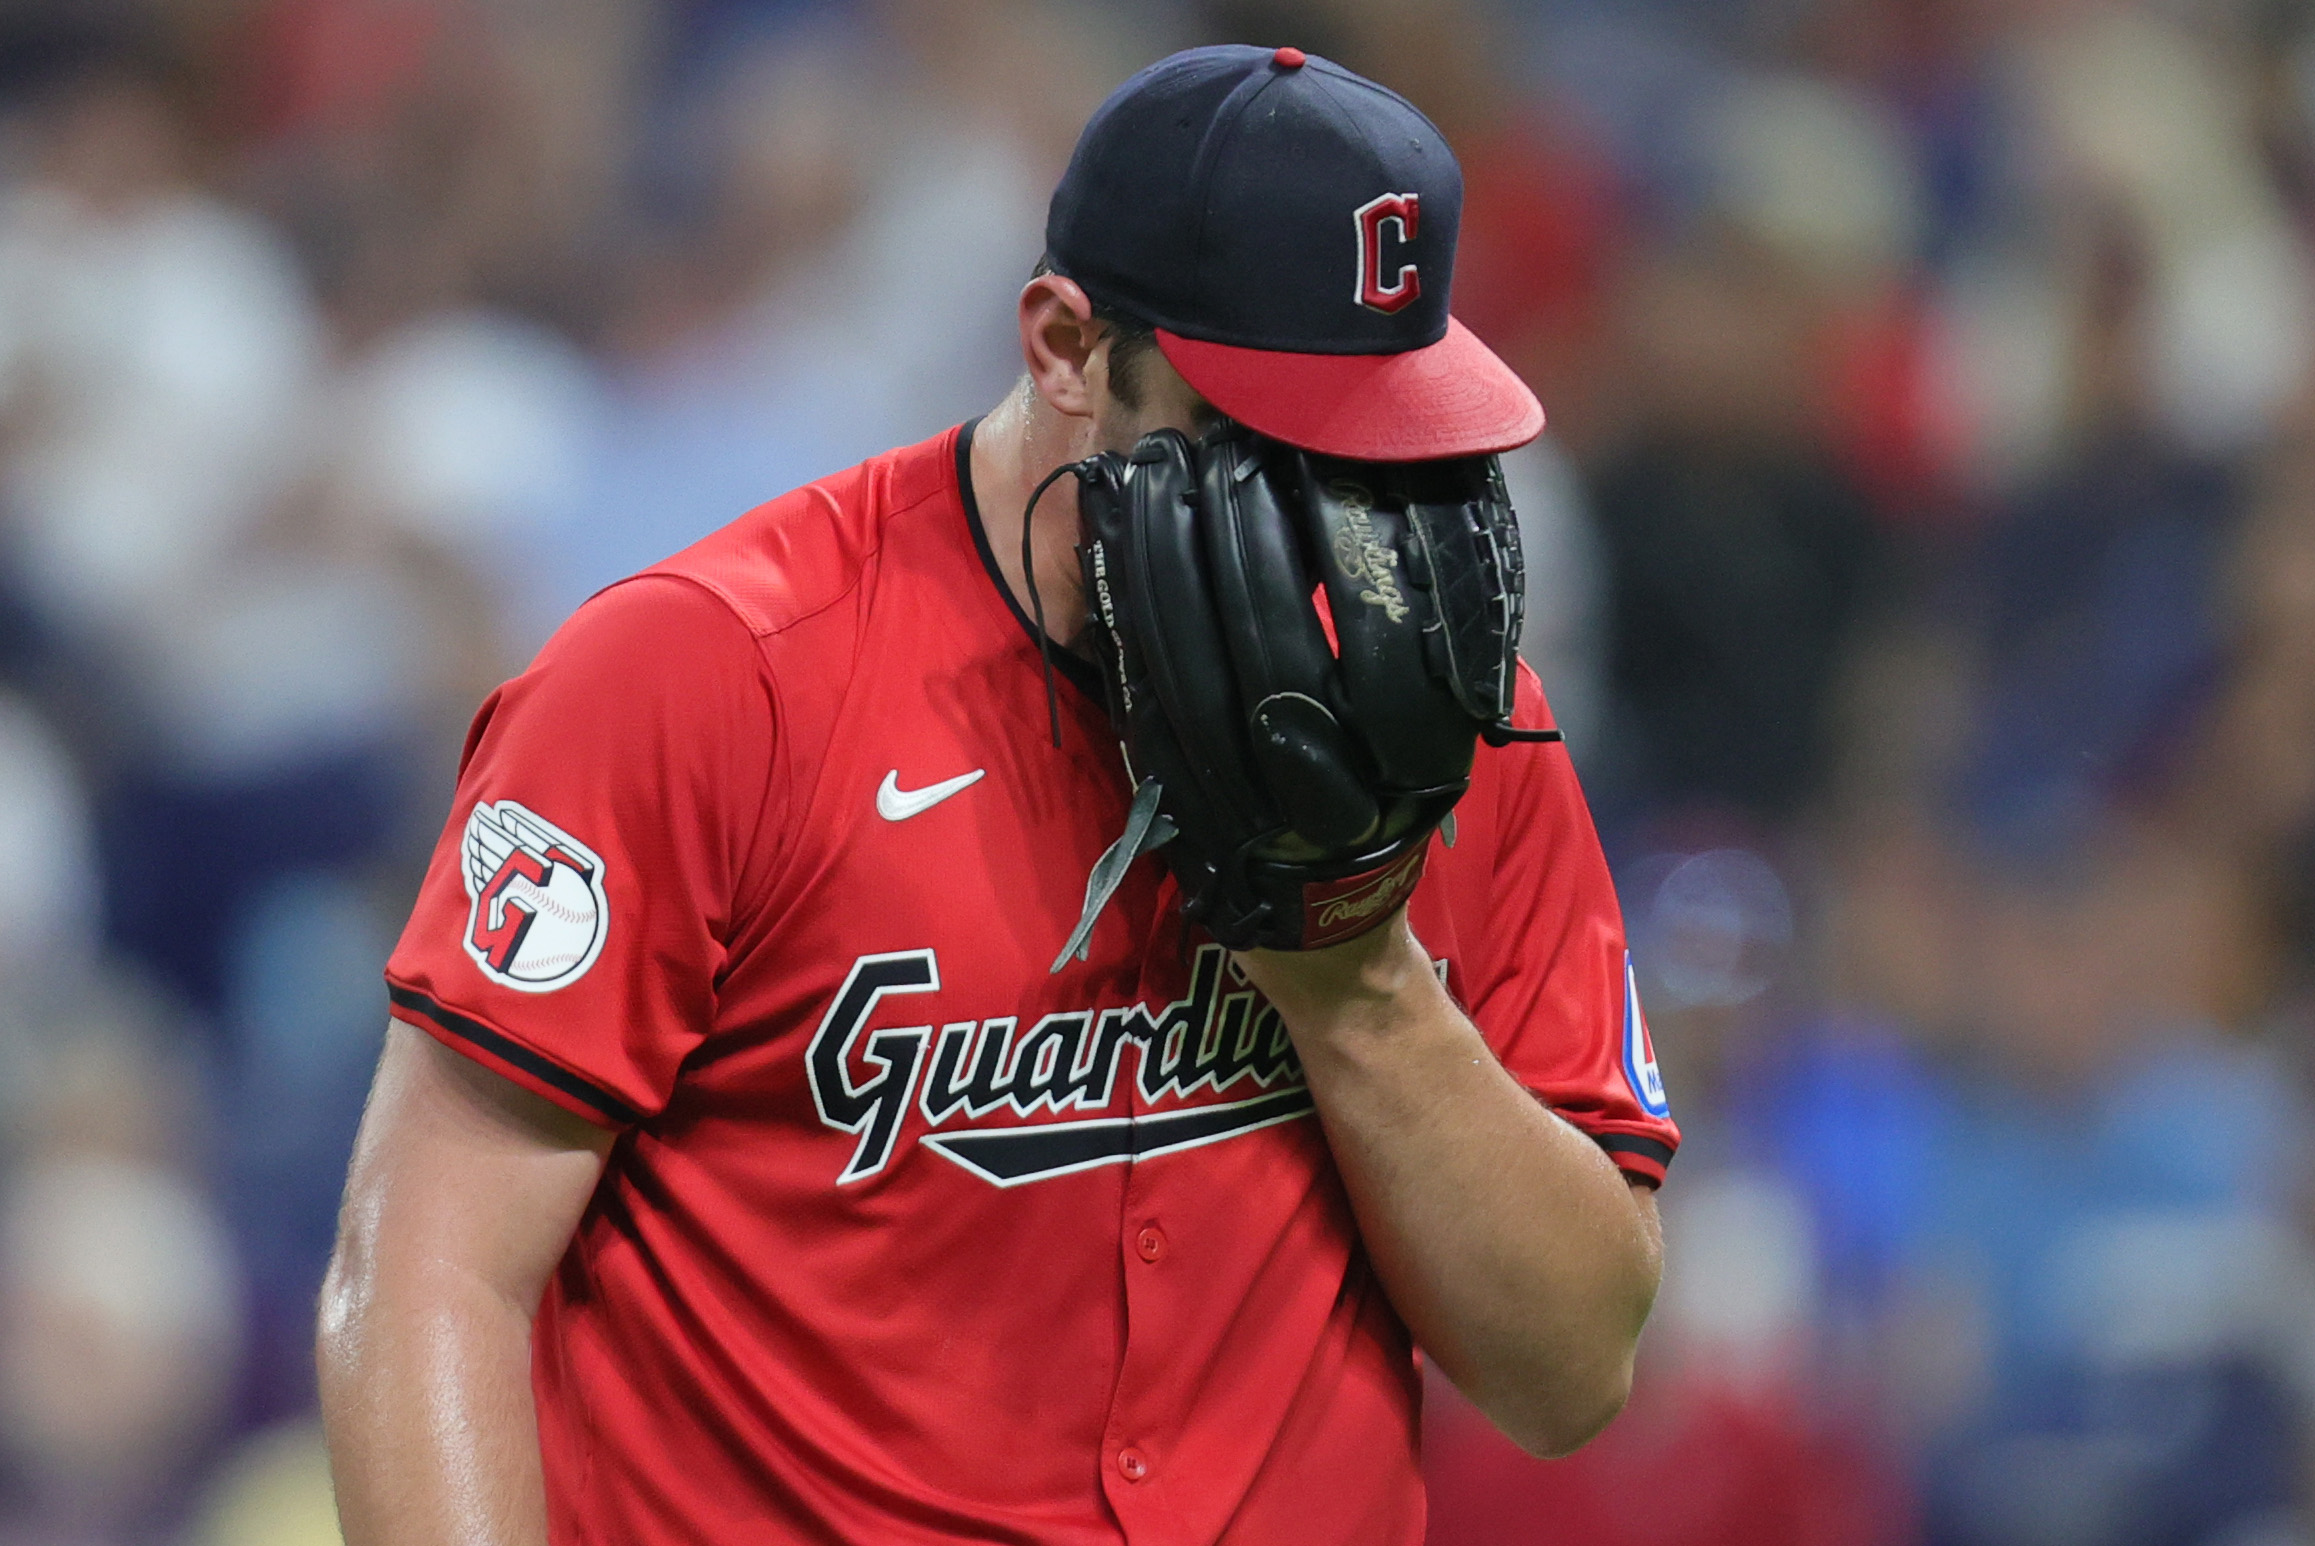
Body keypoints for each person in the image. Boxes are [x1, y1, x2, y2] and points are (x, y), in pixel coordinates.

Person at [316, 44, 1679, 1545]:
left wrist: (1358, 979)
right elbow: (430, 1264)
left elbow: (1568, 1372)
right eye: (1266, 441)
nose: (1330, 519)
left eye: (1377, 452)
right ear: (1064, 347)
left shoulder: (1454, 731)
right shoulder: (712, 678)